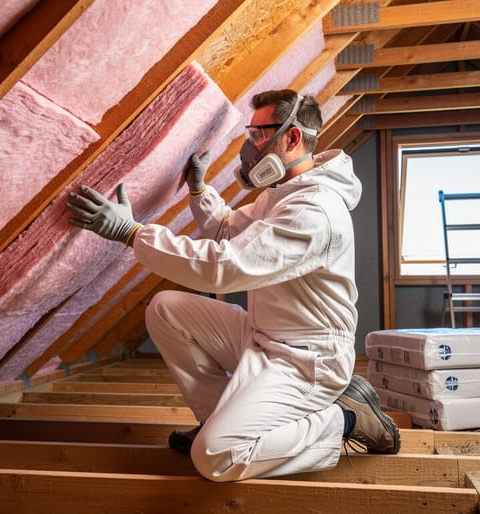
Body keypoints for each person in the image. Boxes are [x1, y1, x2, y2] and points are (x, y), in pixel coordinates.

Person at [66, 89, 399, 482]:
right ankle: (214, 419)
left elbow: (226, 267)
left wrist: (131, 233)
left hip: (307, 360)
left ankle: (342, 420)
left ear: (291, 138)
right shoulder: (281, 194)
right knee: (166, 309)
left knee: (217, 457)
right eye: (250, 132)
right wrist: (198, 189)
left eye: (259, 134)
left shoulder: (315, 211)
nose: (249, 145)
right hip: (264, 337)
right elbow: (227, 230)